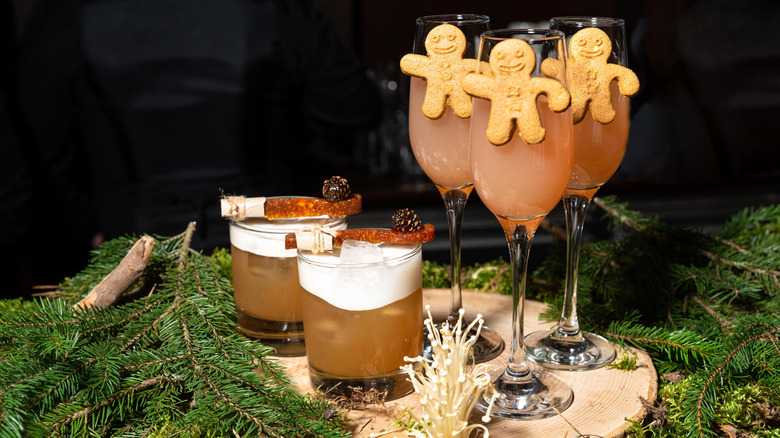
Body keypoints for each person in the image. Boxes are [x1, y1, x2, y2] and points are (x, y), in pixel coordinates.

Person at [2, 0, 381, 297]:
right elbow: (351, 106)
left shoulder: (69, 10)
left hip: (130, 242)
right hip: (262, 241)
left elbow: (40, 147)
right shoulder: (271, 6)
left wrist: (87, 223)